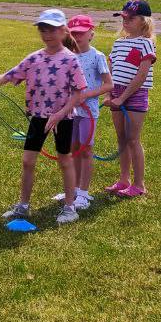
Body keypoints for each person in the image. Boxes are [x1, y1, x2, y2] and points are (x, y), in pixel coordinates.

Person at [0, 9, 88, 225]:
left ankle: (70, 207)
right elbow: (9, 75)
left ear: (63, 31)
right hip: (38, 117)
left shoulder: (70, 60)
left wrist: (60, 114)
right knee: (28, 161)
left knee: (65, 161)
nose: (47, 35)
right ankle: (23, 206)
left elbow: (79, 93)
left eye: (52, 30)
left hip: (63, 119)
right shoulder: (34, 58)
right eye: (43, 30)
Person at [54, 14, 113, 210]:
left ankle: (84, 193)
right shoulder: (66, 56)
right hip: (71, 111)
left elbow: (109, 84)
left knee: (86, 150)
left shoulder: (97, 57)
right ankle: (73, 189)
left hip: (89, 112)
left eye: (81, 33)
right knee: (73, 150)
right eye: (73, 33)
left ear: (91, 34)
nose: (77, 37)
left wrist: (86, 95)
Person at [104, 0, 156, 197]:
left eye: (131, 18)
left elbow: (141, 75)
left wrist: (123, 97)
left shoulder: (146, 44)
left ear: (144, 21)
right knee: (122, 138)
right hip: (116, 93)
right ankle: (123, 180)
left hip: (135, 94)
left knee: (133, 139)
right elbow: (109, 70)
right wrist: (109, 93)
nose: (125, 21)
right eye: (123, 18)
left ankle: (139, 184)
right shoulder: (118, 43)